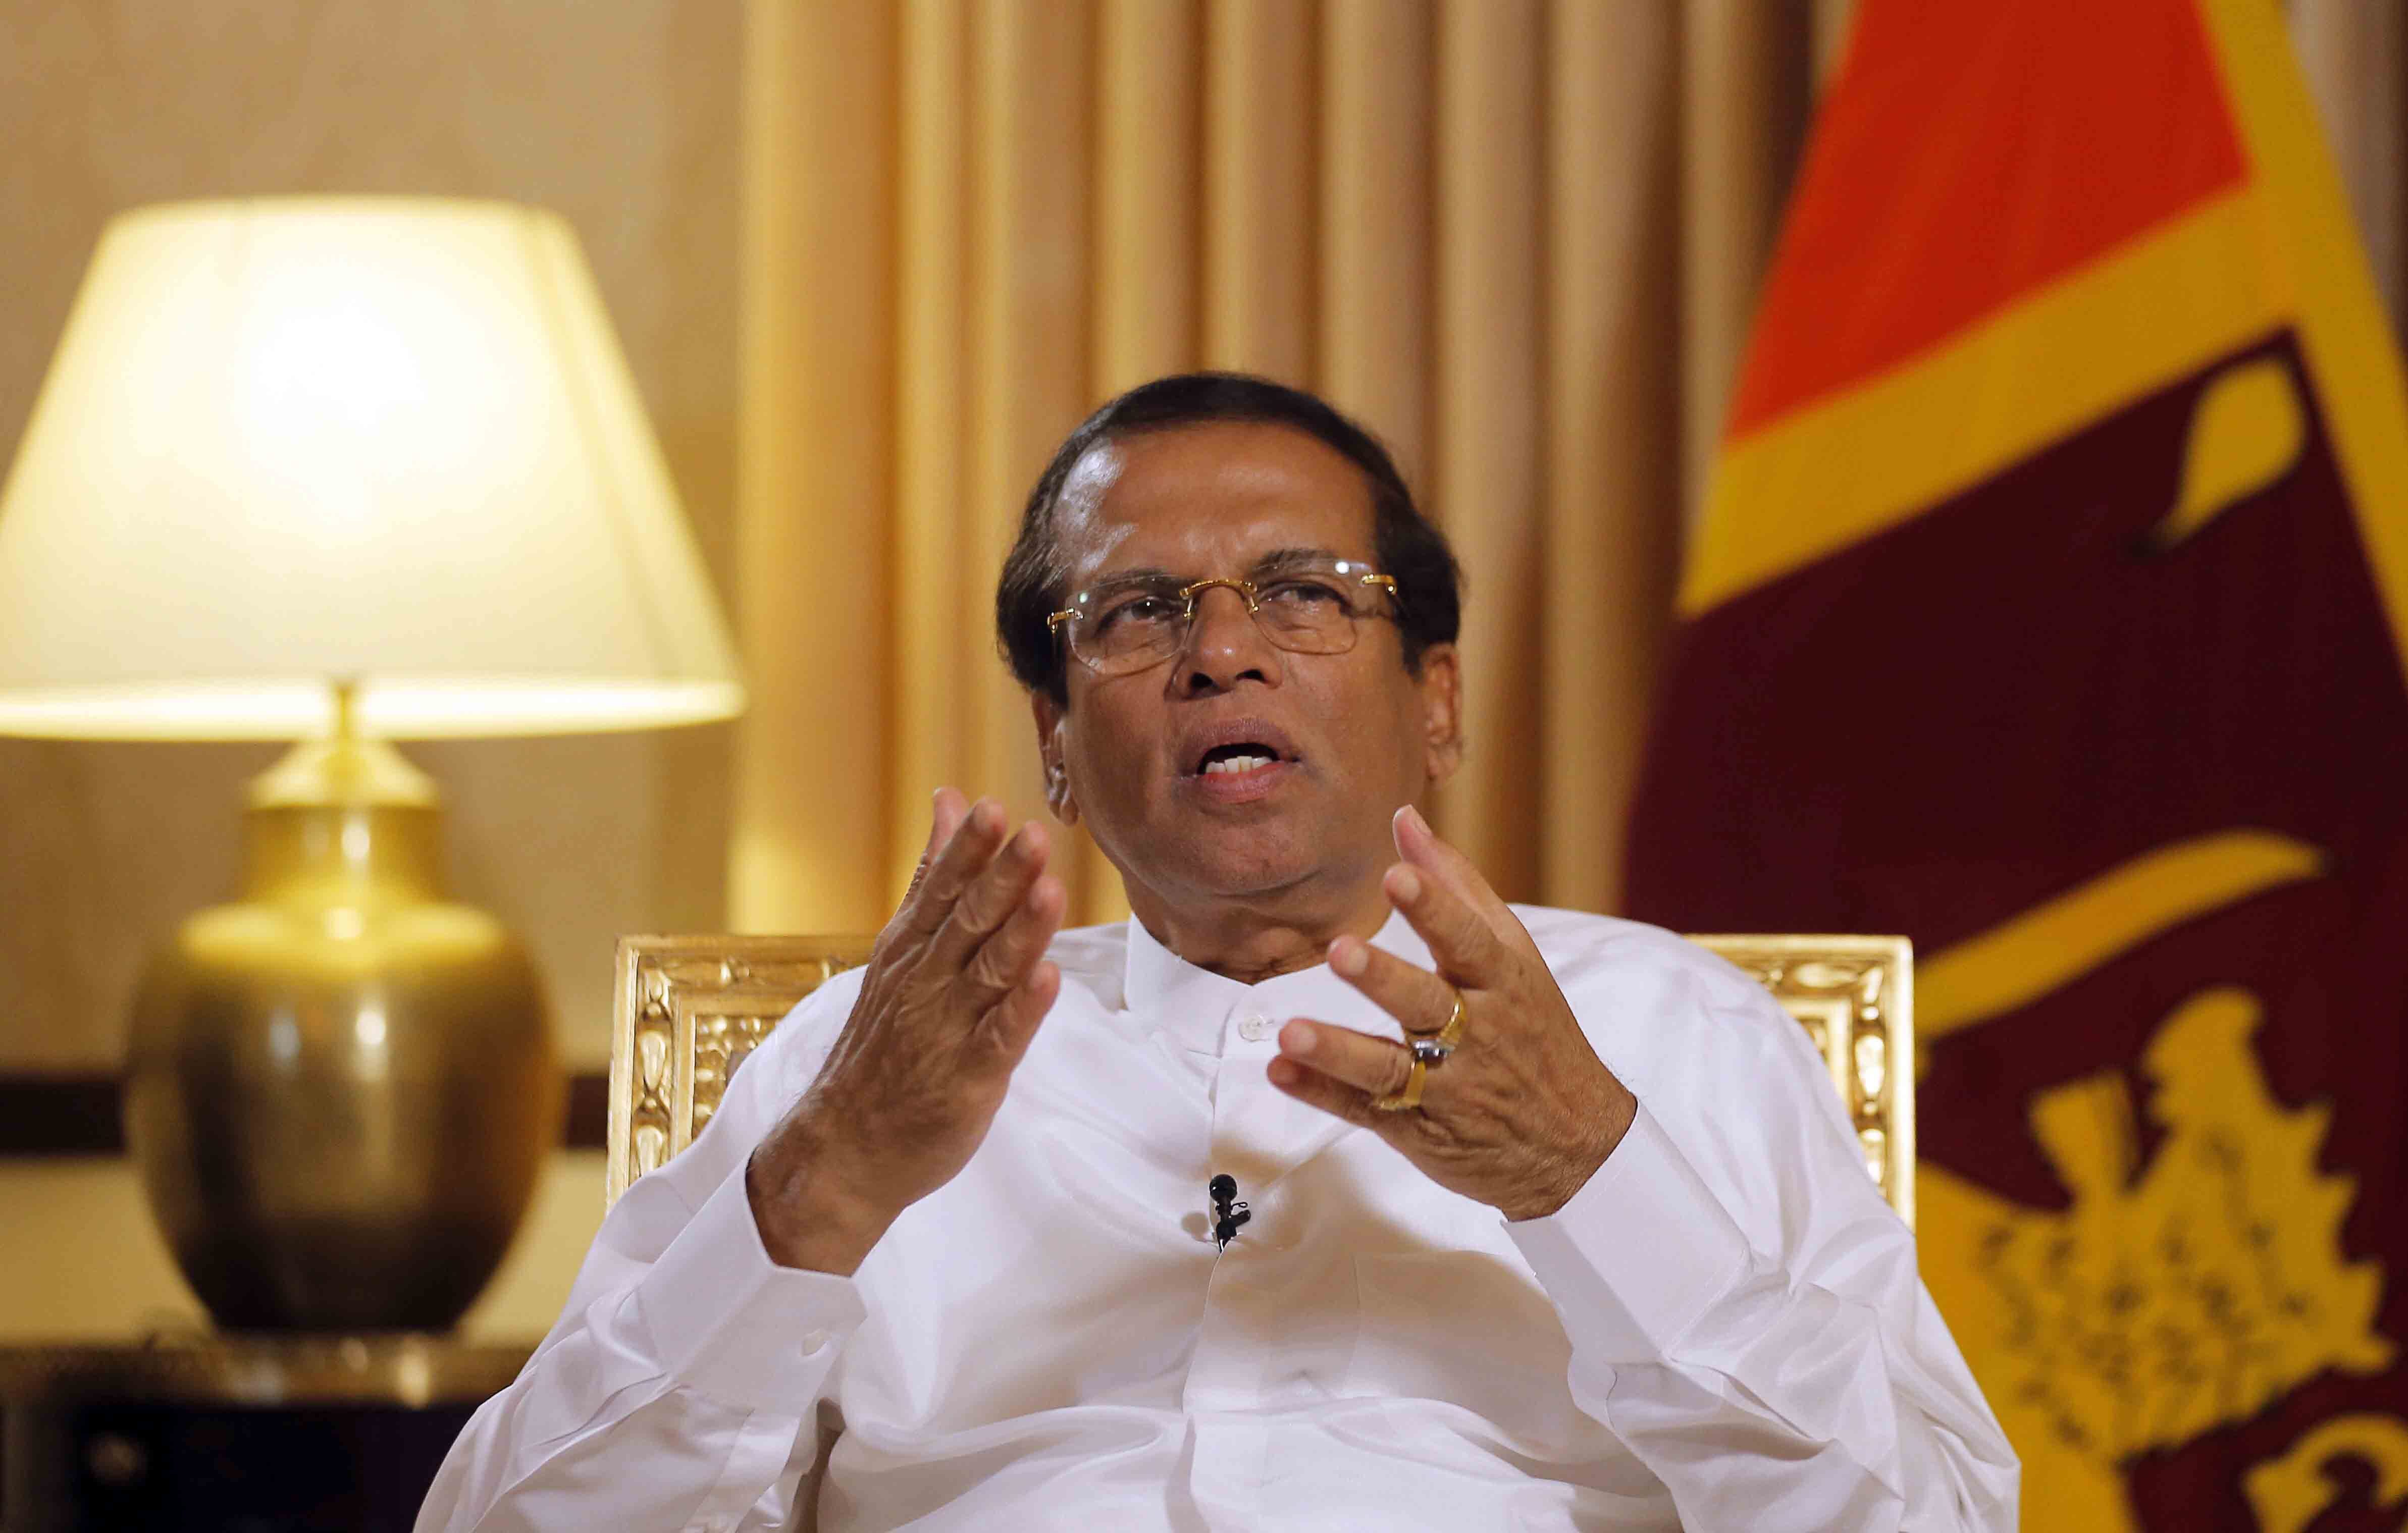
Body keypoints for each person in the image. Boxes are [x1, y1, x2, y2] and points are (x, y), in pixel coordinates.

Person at [418, 374, 2018, 1531]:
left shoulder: (1671, 1036)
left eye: (1303, 594)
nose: (1221, 652)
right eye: (1134, 612)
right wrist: (817, 1195)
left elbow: (1933, 1521)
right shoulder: (871, 1066)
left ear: (1435, 700)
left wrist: (1588, 1176)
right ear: (1056, 741)